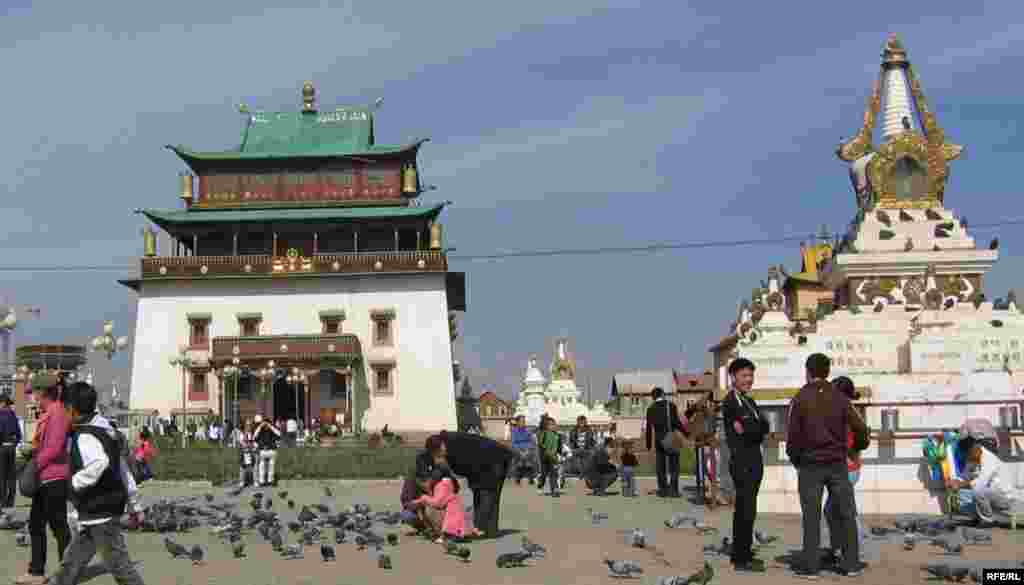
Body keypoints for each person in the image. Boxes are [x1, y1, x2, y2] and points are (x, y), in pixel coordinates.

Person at [50, 382, 145, 585]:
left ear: (72, 410)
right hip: (95, 514)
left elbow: (99, 463)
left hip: (100, 513)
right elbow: (122, 471)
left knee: (119, 566)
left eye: (64, 411)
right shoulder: (106, 431)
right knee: (72, 562)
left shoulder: (85, 436)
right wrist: (134, 504)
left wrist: (74, 482)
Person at [786, 354, 868, 579]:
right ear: (827, 371)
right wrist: (854, 449)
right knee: (846, 513)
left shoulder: (800, 398)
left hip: (810, 464)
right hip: (837, 463)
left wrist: (796, 459)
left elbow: (792, 435)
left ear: (808, 371)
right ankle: (851, 564)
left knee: (811, 516)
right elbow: (860, 428)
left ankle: (811, 567)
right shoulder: (840, 398)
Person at [18, 378, 71, 585]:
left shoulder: (57, 413)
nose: (32, 397)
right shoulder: (50, 413)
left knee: (58, 527)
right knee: (36, 525)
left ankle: (68, 571)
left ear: (43, 392)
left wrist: (35, 461)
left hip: (54, 476)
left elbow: (56, 447)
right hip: (45, 476)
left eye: (34, 392)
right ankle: (36, 572)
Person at [722, 358, 770, 574]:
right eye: (744, 375)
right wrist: (755, 427)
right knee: (745, 509)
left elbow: (763, 426)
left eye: (751, 375)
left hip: (754, 460)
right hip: (742, 461)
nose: (748, 380)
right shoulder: (732, 401)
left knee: (748, 509)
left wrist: (756, 427)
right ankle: (741, 557)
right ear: (733, 377)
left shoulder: (748, 401)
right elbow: (751, 430)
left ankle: (744, 550)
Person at [426, 431, 518, 538]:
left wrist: (473, 484)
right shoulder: (449, 444)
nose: (439, 456)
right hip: (490, 460)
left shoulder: (454, 447)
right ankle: (490, 530)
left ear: (440, 447)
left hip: (495, 460)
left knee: (487, 493)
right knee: (484, 494)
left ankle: (480, 529)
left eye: (437, 454)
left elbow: (469, 467)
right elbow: (466, 468)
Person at [823, 376, 866, 560]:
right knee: (832, 510)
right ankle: (838, 548)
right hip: (847, 467)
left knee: (846, 511)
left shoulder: (846, 413)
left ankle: (851, 550)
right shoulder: (848, 410)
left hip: (845, 468)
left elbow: (850, 442)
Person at [947, 438, 1023, 525]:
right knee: (962, 498)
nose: (967, 457)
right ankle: (978, 517)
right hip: (989, 496)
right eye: (966, 455)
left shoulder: (989, 459)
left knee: (977, 490)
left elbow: (980, 484)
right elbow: (965, 477)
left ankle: (988, 520)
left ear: (975, 448)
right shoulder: (973, 458)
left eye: (968, 454)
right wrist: (955, 481)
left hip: (1005, 498)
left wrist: (960, 484)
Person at [413, 456, 473, 543]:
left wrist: (424, 498)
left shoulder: (443, 484)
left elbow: (438, 503)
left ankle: (449, 536)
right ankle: (452, 535)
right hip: (456, 512)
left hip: (453, 513)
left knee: (445, 518)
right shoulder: (449, 482)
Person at [645, 386, 686, 498]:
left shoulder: (650, 408)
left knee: (660, 466)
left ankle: (663, 490)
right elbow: (676, 422)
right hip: (671, 438)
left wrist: (648, 444)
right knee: (674, 465)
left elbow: (649, 428)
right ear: (663, 394)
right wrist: (686, 433)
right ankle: (673, 490)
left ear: (653, 397)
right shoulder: (671, 405)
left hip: (659, 440)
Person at [0, 393, 21, 508]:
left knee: (2, 476)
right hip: (11, 448)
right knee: (11, 476)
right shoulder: (13, 415)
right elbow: (19, 434)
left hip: (2, 448)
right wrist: (14, 444)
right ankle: (11, 500)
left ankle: (2, 501)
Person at [536, 416, 564, 497]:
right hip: (544, 457)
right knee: (544, 474)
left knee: (553, 473)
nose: (553, 426)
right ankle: (540, 485)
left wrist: (559, 455)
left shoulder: (558, 436)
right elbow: (541, 445)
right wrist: (547, 453)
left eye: (553, 424)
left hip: (553, 458)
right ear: (546, 426)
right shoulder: (543, 433)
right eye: (550, 425)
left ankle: (554, 490)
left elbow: (559, 448)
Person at [253, 415, 281, 486]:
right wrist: (267, 426)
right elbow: (254, 437)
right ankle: (265, 481)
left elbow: (279, 434)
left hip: (269, 450)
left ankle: (268, 481)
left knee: (268, 465)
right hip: (266, 450)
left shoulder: (266, 430)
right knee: (264, 465)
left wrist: (267, 426)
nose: (266, 425)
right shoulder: (263, 430)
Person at [510, 415, 536, 485]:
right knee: (521, 457)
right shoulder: (514, 431)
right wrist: (521, 452)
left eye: (524, 421)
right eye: (521, 421)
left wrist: (527, 450)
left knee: (528, 456)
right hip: (518, 450)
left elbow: (532, 442)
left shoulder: (528, 431)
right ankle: (520, 476)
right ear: (517, 422)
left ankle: (529, 477)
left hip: (527, 449)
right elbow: (513, 443)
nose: (523, 423)